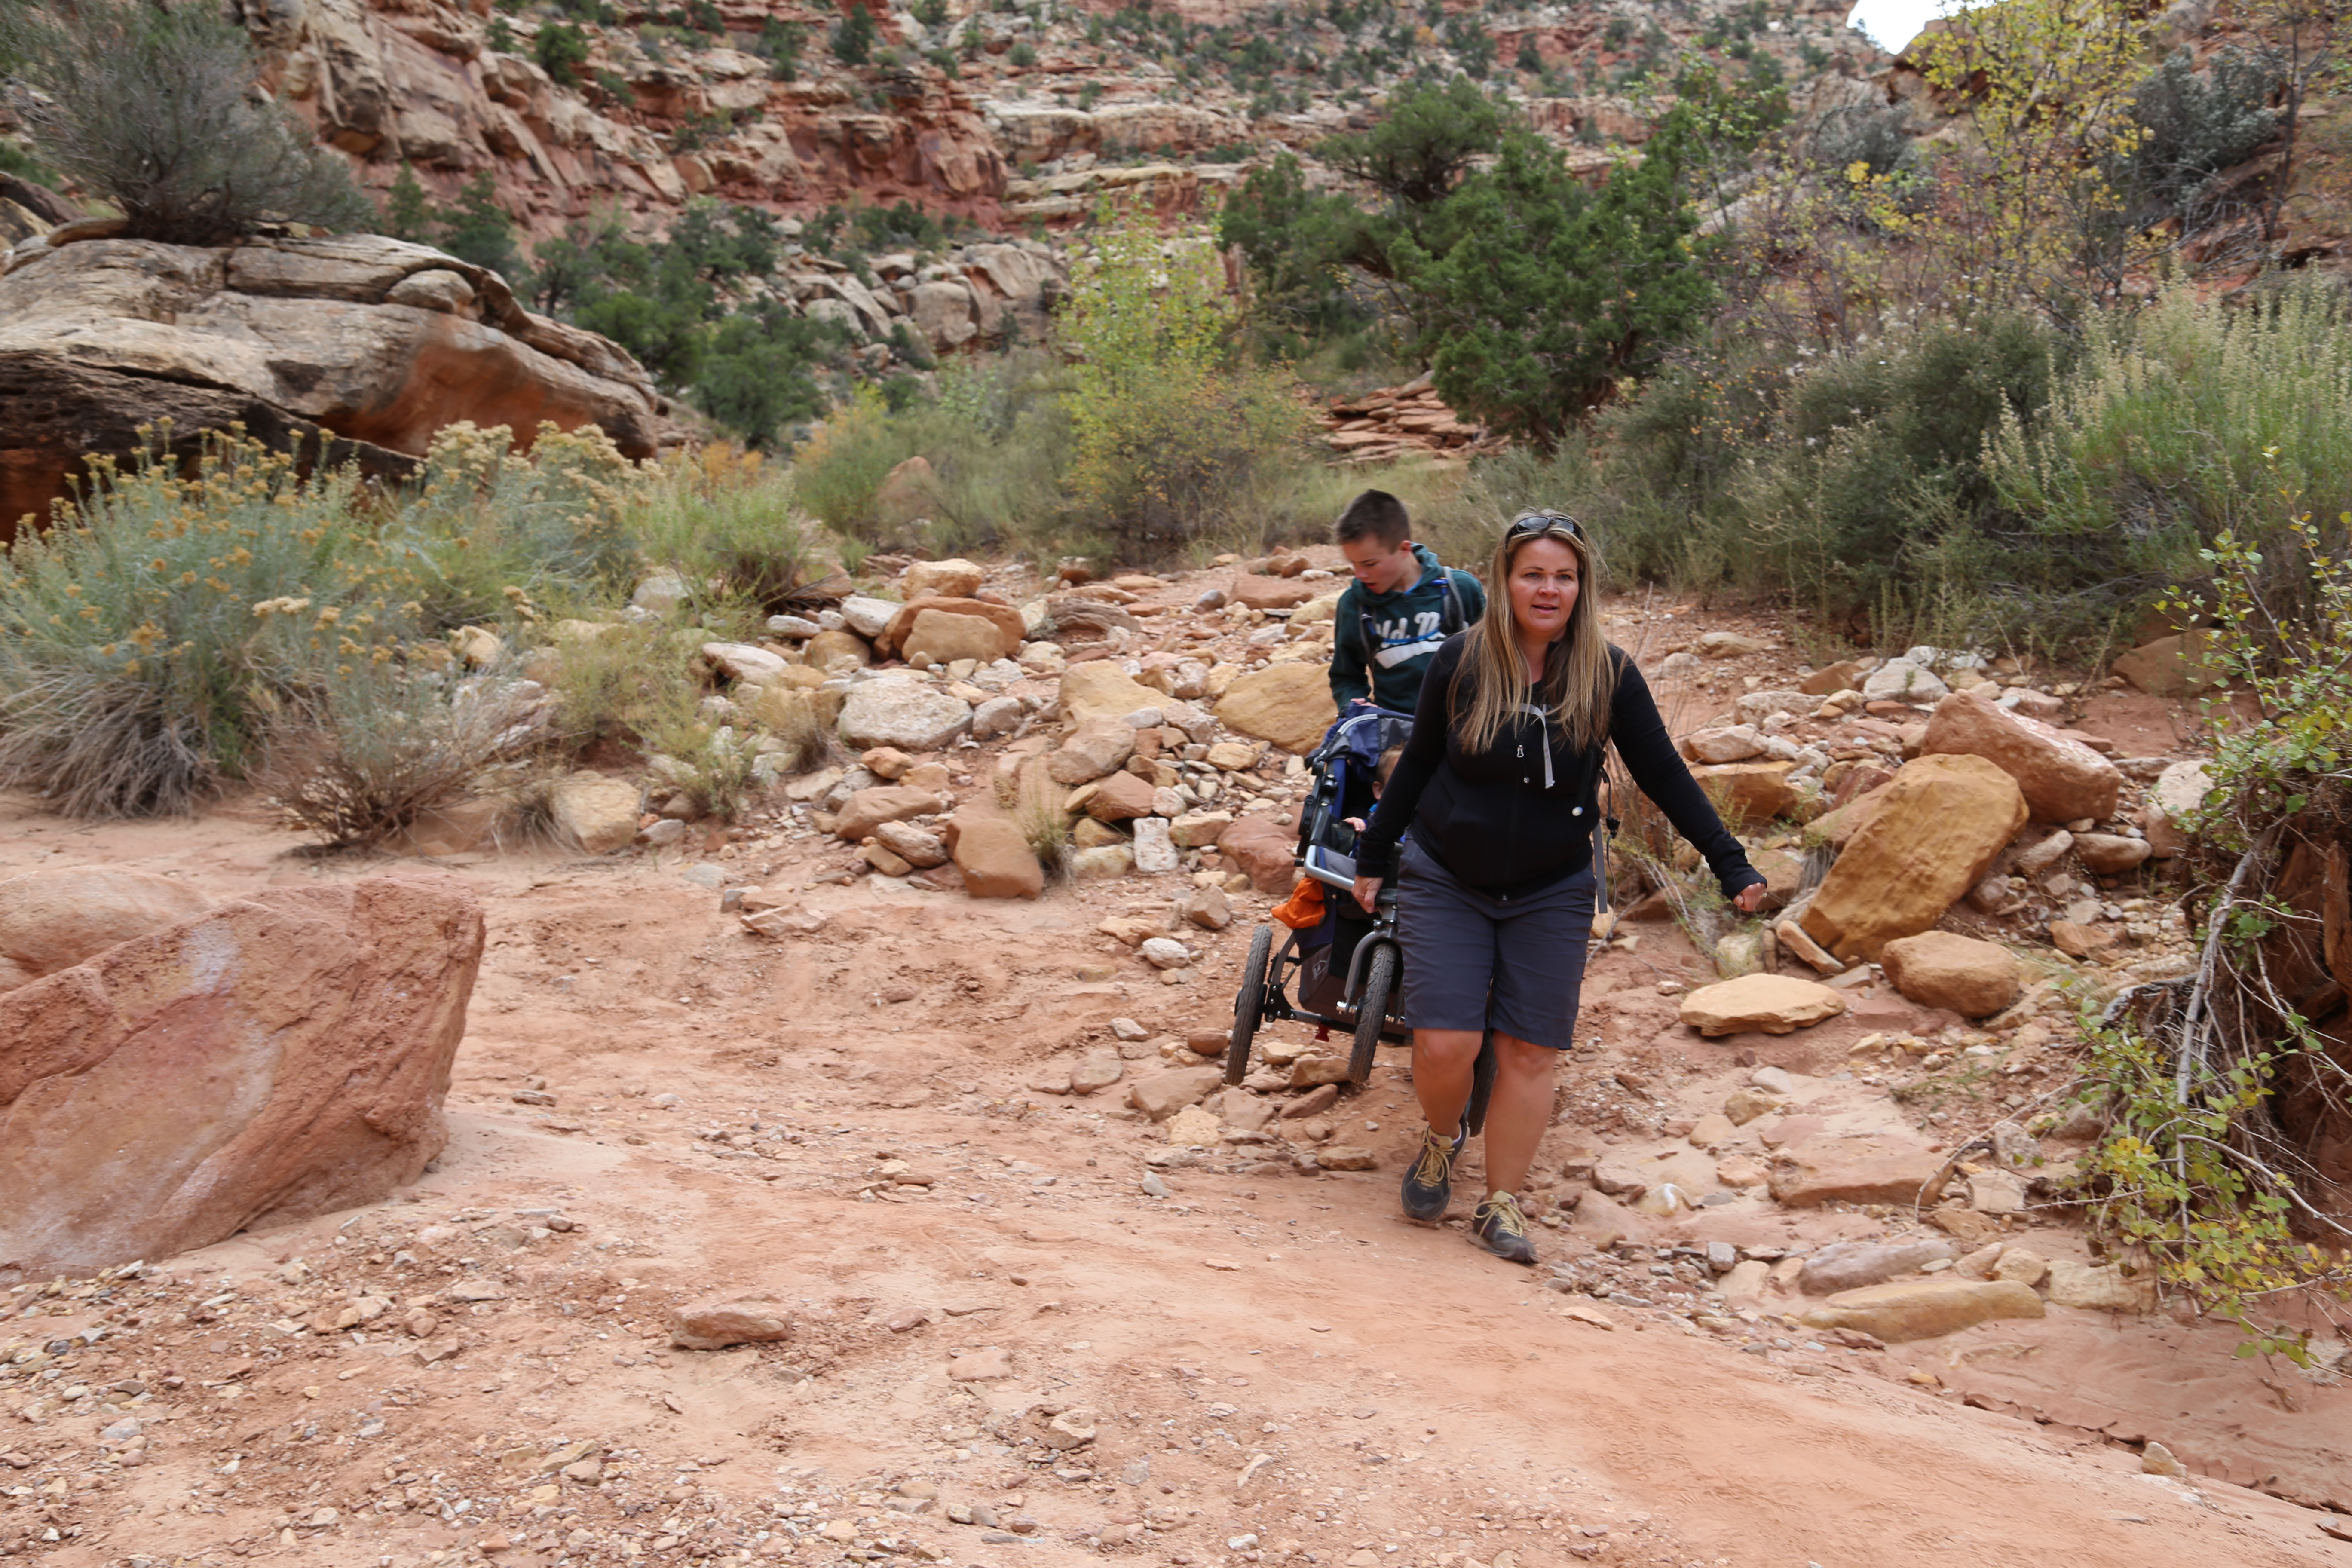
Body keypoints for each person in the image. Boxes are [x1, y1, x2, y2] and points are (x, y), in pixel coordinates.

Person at [1350, 511, 1769, 1265]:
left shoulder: (1606, 673)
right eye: (1532, 574)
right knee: (1446, 1041)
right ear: (1505, 581)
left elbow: (1663, 773)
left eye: (1563, 576)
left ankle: (1499, 1201)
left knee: (1530, 1051)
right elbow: (1415, 768)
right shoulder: (1462, 660)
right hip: (1448, 873)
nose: (1548, 589)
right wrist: (1375, 852)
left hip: (1550, 885)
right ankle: (1443, 1138)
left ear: (1582, 586)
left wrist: (1728, 861)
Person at [1330, 489, 1485, 716]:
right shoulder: (1354, 605)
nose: (1359, 575)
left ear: (1404, 549)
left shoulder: (1461, 589)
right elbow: (1346, 677)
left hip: (1468, 729)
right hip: (1399, 736)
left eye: (1370, 564)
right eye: (1353, 564)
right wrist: (1355, 705)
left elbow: (1502, 657)